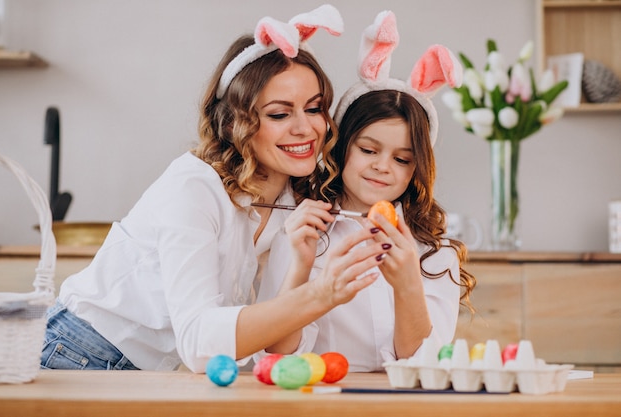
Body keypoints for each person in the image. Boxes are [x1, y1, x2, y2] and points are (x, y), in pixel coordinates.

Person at [40, 5, 390, 373]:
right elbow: (197, 342)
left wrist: (305, 275)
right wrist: (318, 296)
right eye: (279, 114)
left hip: (147, 370)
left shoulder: (290, 203)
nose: (306, 129)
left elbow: (276, 344)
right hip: (76, 352)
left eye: (314, 108)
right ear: (237, 121)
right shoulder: (194, 188)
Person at [257, 11, 476, 371]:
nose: (382, 166)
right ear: (342, 147)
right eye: (369, 150)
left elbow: (423, 366)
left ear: (416, 168)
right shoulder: (302, 232)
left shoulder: (436, 254)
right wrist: (301, 265)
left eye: (402, 159)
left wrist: (407, 284)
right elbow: (280, 357)